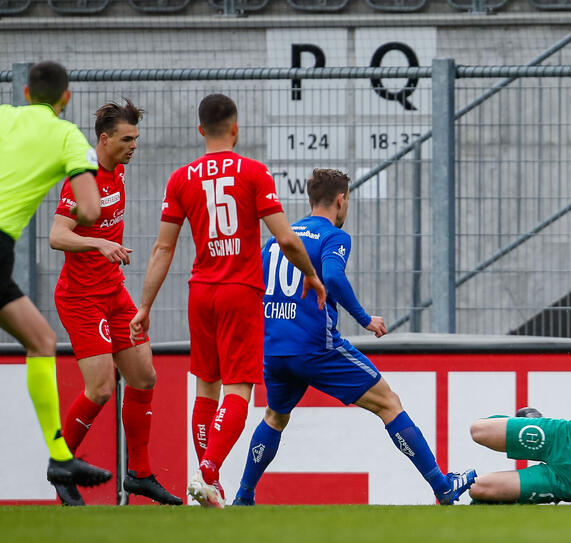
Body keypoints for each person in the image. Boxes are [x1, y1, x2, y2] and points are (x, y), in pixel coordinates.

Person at [232, 169, 476, 506]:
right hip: (317, 348)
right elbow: (331, 275)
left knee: (275, 416)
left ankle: (243, 496)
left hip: (275, 350)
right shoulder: (333, 236)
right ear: (340, 200)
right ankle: (442, 486)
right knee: (388, 403)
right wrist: (364, 318)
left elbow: (257, 291)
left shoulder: (275, 241)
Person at [129, 93, 326, 508]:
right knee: (239, 389)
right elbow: (286, 238)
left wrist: (144, 306)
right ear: (235, 129)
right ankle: (209, 473)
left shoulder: (181, 178)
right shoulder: (253, 172)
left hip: (200, 292)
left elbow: (162, 249)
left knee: (206, 386)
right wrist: (311, 275)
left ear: (201, 130)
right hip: (240, 292)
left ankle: (208, 487)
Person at [48, 99, 181, 506]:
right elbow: (57, 234)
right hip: (81, 299)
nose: (133, 146)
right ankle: (60, 464)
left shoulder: (118, 171)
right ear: (104, 140)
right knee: (102, 386)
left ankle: (139, 475)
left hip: (113, 293)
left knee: (144, 376)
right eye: (126, 139)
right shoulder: (82, 179)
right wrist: (98, 242)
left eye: (136, 138)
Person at [0, 60, 112, 492]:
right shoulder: (68, 136)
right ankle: (60, 458)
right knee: (41, 343)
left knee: (41, 340)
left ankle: (60, 457)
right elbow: (88, 211)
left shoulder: (5, 115)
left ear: (25, 93)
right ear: (67, 98)